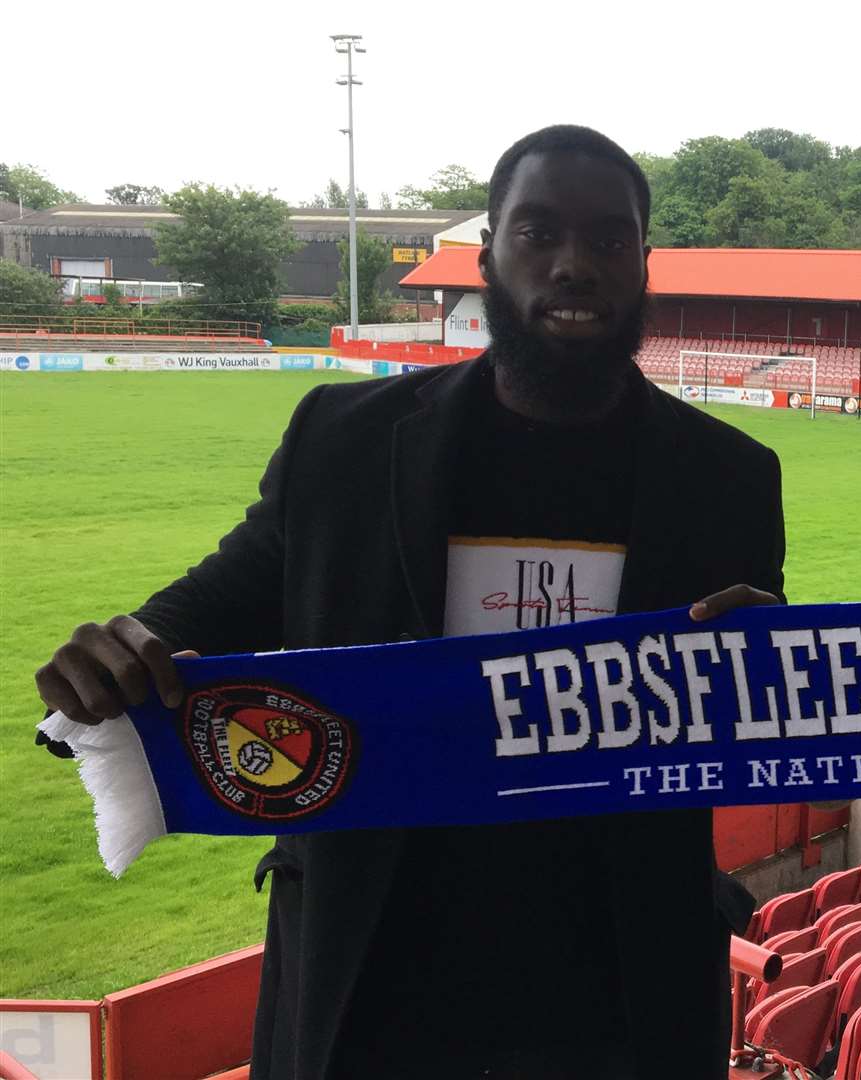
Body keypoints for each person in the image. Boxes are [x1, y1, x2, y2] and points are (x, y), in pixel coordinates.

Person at [34, 125, 782, 1080]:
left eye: (607, 239)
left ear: (644, 261)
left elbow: (753, 701)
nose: (573, 264)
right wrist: (123, 652)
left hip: (619, 974)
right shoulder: (344, 442)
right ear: (490, 252)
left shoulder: (729, 478)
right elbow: (232, 592)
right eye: (538, 232)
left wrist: (762, 653)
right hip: (375, 956)